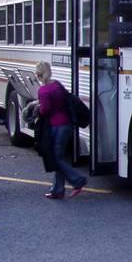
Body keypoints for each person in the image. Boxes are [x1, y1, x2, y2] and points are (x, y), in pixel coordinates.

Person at [35, 61, 87, 199]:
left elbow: (45, 110)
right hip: (67, 124)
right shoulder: (57, 85)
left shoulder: (43, 90)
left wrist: (36, 108)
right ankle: (58, 190)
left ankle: (77, 180)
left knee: (56, 158)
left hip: (55, 126)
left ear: (38, 75)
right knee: (59, 157)